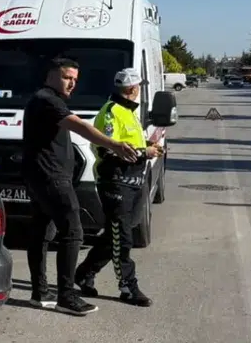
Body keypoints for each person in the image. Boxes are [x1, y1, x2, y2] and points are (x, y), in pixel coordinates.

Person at [22, 57, 138, 315]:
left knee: (41, 232)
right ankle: (66, 296)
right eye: (67, 77)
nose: (72, 83)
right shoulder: (47, 100)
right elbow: (79, 125)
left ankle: (39, 292)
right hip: (51, 177)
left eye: (75, 79)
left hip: (43, 176)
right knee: (72, 232)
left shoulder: (45, 100)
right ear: (50, 75)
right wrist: (113, 144)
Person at [75, 69, 161, 307]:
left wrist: (148, 144)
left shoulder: (129, 111)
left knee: (118, 234)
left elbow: (129, 142)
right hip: (115, 182)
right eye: (139, 87)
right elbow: (108, 150)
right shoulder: (111, 111)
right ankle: (127, 286)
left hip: (134, 181)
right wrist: (145, 153)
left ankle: (84, 273)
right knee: (122, 238)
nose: (140, 90)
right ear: (133, 89)